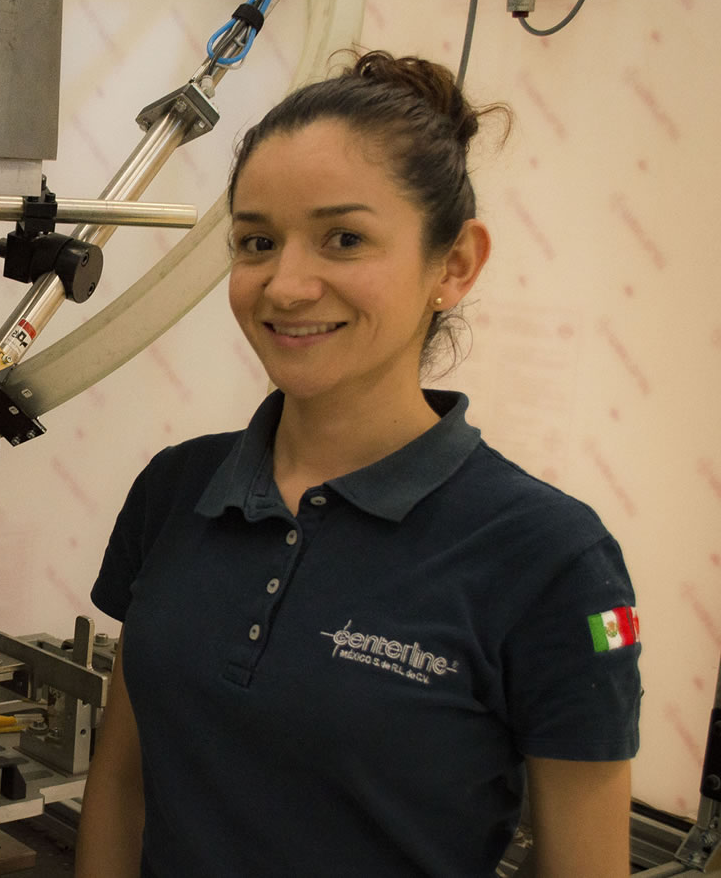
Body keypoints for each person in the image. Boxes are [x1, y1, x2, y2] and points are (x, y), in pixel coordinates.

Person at [73, 51, 641, 877]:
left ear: (453, 264)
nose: (286, 285)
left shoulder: (551, 558)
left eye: (344, 238)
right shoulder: (177, 488)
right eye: (256, 242)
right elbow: (121, 784)